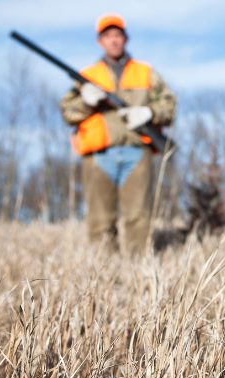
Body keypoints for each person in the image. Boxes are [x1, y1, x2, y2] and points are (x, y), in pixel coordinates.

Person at [60, 14, 176, 255]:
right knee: (100, 221)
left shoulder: (146, 72)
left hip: (137, 153)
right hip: (98, 156)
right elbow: (67, 112)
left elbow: (169, 105)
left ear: (125, 38)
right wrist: (85, 102)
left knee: (139, 219)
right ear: (99, 41)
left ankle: (137, 276)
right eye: (107, 36)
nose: (113, 40)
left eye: (117, 35)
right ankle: (104, 279)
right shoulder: (87, 76)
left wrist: (149, 112)